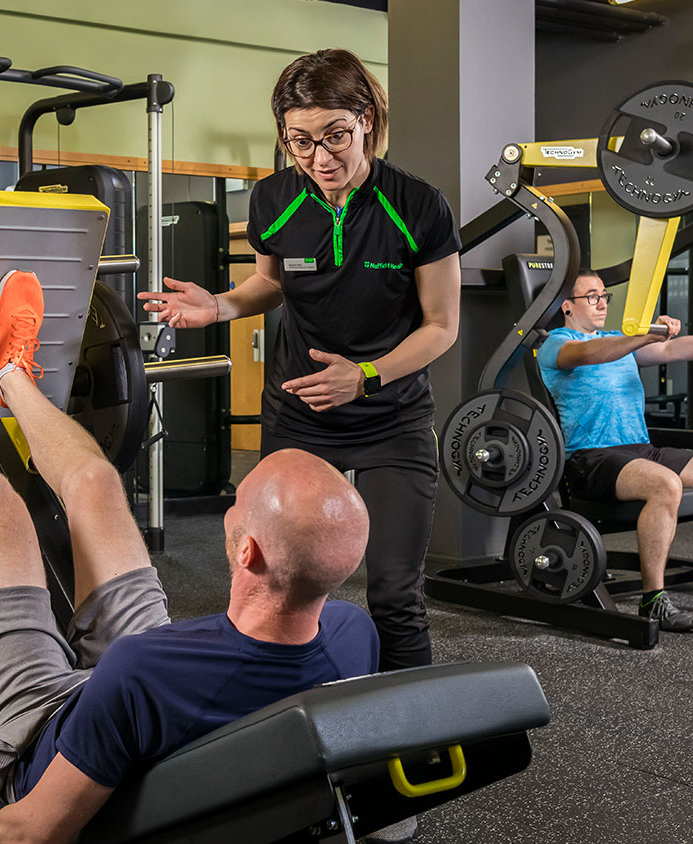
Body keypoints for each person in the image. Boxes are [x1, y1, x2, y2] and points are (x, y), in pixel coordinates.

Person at [0, 270, 378, 844]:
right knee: (95, 481)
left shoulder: (141, 673)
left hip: (45, 732)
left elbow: (28, 834)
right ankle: (9, 375)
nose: (231, 505)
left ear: (247, 551)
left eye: (239, 500)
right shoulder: (352, 633)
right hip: (158, 700)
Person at [139, 48, 461, 679]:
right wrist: (221, 306)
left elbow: (442, 326)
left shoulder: (418, 204)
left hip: (392, 420)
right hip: (300, 419)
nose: (320, 158)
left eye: (336, 136)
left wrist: (364, 376)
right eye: (300, 142)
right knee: (273, 585)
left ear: (366, 120)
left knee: (395, 597)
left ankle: (410, 726)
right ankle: (273, 712)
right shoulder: (273, 199)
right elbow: (271, 282)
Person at [537, 270, 693, 632]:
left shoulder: (617, 340)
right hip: (593, 458)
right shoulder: (555, 344)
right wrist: (643, 335)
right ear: (567, 306)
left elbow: (672, 349)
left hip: (641, 450)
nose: (602, 303)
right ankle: (653, 601)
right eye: (591, 296)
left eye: (604, 295)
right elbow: (588, 353)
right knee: (666, 484)